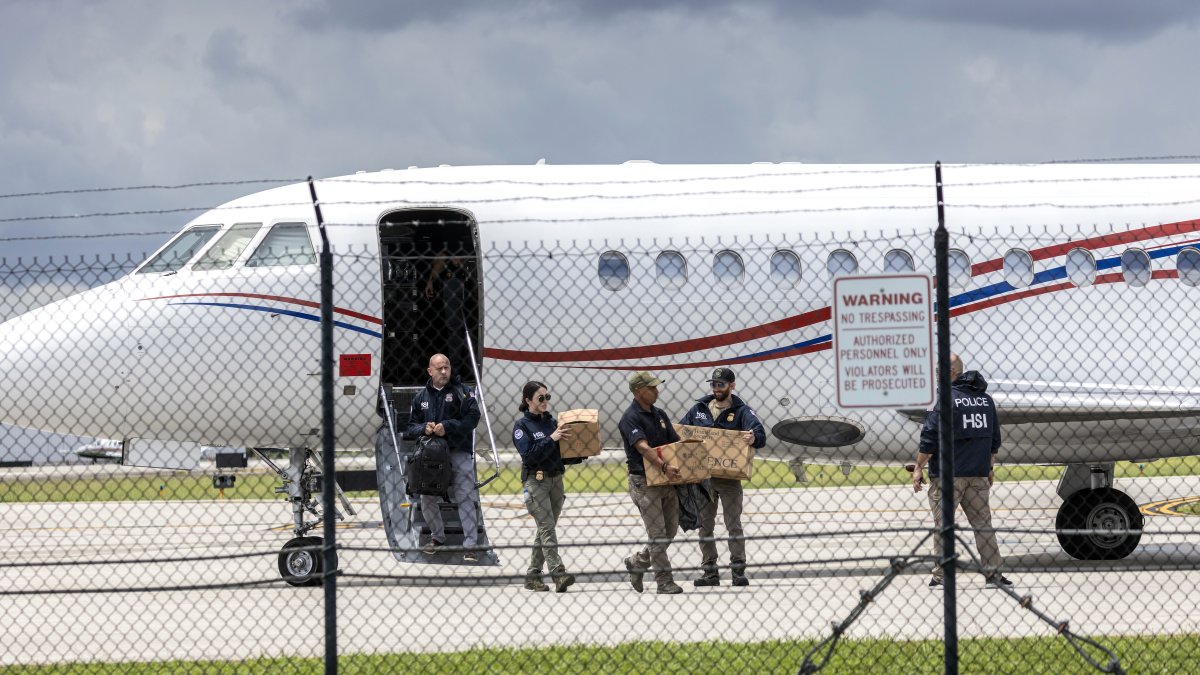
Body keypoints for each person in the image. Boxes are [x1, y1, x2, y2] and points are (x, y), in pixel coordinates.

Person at [912, 353, 1011, 588]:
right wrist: (988, 467)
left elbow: (930, 438)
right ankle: (993, 574)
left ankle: (942, 575)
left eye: (938, 372)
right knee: (983, 525)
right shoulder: (985, 401)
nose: (936, 377)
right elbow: (994, 439)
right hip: (977, 474)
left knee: (943, 527)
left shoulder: (945, 400)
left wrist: (918, 467)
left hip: (948, 476)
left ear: (951, 373)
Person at [679, 367, 765, 587]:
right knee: (705, 526)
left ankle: (738, 570)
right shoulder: (699, 409)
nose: (716, 389)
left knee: (733, 525)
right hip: (704, 478)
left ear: (732, 386)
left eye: (721, 385)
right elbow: (679, 431)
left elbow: (760, 434)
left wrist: (752, 437)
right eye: (714, 385)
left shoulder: (742, 411)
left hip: (729, 479)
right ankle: (710, 572)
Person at [404, 353, 483, 562]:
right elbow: (411, 427)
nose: (444, 371)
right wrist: (425, 428)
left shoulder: (462, 392)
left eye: (446, 367)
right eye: (439, 368)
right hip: (431, 456)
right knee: (426, 497)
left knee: (465, 495)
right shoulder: (421, 397)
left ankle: (470, 545)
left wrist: (447, 427)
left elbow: (473, 418)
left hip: (458, 450)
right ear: (430, 371)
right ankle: (438, 537)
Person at [618, 371, 684, 595]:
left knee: (671, 530)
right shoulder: (630, 418)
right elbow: (643, 447)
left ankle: (638, 562)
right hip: (644, 482)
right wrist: (665, 466)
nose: (657, 391)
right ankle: (664, 581)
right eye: (652, 388)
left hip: (666, 481)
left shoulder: (660, 414)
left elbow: (675, 443)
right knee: (657, 534)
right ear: (638, 392)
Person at [513, 380, 582, 593]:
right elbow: (528, 455)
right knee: (547, 527)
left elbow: (561, 455)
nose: (545, 401)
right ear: (528, 401)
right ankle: (558, 573)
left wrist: (581, 451)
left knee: (545, 529)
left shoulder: (553, 422)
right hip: (536, 481)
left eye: (547, 397)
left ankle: (533, 575)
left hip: (556, 480)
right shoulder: (522, 427)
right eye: (540, 398)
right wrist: (551, 439)